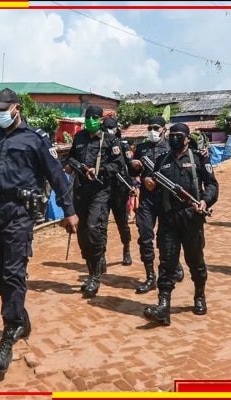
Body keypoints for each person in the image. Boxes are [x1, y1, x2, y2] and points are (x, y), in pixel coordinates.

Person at [0, 88, 78, 379]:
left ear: (17, 108)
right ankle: (21, 318)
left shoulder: (35, 139)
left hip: (19, 213)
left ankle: (8, 335)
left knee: (12, 272)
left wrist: (69, 210)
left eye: (2, 108)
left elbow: (57, 176)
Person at [142, 123, 219, 326]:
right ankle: (163, 306)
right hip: (168, 219)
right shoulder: (162, 160)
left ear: (186, 138)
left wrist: (204, 201)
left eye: (178, 136)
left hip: (191, 219)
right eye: (172, 135)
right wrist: (149, 183)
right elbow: (152, 183)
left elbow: (211, 184)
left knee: (195, 261)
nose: (174, 139)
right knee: (166, 263)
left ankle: (199, 295)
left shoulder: (199, 158)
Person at [64, 105, 124, 298]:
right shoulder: (79, 137)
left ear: (100, 120)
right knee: (81, 232)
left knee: (93, 228)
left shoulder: (110, 140)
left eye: (94, 117)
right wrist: (75, 166)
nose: (90, 120)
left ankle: (95, 273)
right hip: (80, 190)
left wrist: (98, 172)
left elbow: (118, 164)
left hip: (100, 191)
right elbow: (71, 157)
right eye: (88, 117)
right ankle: (90, 267)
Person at [127, 116, 185, 295]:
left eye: (156, 127)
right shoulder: (142, 148)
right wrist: (135, 168)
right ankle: (150, 276)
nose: (152, 131)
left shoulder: (170, 147)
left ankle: (174, 265)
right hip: (146, 200)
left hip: (166, 200)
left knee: (166, 238)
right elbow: (133, 172)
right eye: (149, 127)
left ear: (163, 129)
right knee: (145, 236)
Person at [102, 117, 133, 266]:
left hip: (120, 188)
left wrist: (132, 185)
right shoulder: (99, 145)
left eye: (110, 128)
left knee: (122, 223)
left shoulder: (123, 146)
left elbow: (131, 166)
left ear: (116, 129)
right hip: (103, 188)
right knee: (101, 224)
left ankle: (126, 248)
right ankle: (100, 256)